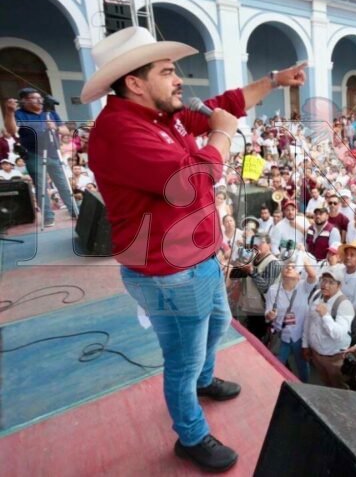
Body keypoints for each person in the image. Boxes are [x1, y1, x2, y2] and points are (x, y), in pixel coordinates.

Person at [82, 26, 306, 471]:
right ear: (134, 81)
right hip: (167, 273)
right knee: (181, 358)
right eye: (167, 71)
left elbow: (225, 105)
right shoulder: (120, 131)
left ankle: (204, 381)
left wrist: (275, 80)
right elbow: (190, 181)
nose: (179, 79)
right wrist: (222, 136)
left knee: (217, 323)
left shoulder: (164, 115)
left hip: (197, 261)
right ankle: (191, 435)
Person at [3, 88, 78, 226]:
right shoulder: (19, 114)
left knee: (63, 184)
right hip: (33, 153)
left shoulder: (50, 113)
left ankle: (74, 211)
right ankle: (48, 217)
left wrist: (55, 127)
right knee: (41, 187)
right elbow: (12, 130)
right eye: (34, 97)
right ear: (24, 100)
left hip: (53, 153)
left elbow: (65, 130)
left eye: (40, 97)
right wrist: (9, 112)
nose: (39, 100)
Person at [302, 264, 355, 389]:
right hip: (316, 354)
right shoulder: (316, 294)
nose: (325, 285)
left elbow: (339, 334)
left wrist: (326, 315)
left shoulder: (344, 304)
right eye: (324, 280)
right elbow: (308, 321)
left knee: (338, 387)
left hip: (334, 359)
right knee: (325, 383)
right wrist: (305, 345)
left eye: (331, 282)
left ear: (339, 285)